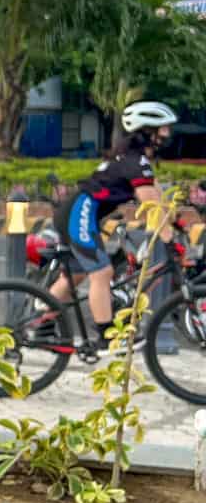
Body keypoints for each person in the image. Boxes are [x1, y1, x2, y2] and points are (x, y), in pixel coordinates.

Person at [49, 100, 181, 352]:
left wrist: (176, 223)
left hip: (76, 212)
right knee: (102, 273)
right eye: (163, 129)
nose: (167, 135)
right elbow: (151, 207)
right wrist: (169, 240)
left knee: (76, 275)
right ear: (147, 131)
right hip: (80, 212)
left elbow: (157, 200)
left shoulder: (135, 159)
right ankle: (106, 336)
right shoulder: (135, 161)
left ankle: (41, 323)